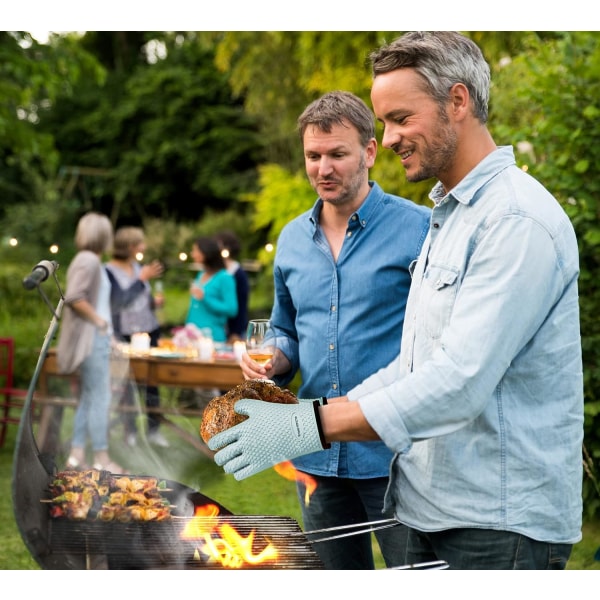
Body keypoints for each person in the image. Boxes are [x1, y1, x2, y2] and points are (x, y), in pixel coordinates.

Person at [208, 32, 584, 570]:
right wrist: (307, 417)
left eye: (400, 118)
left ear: (458, 102)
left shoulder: (514, 219)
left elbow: (458, 380)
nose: (387, 140)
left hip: (500, 523)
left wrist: (306, 425)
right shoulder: (450, 219)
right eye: (385, 123)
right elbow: (412, 366)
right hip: (434, 506)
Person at [239, 91, 431, 569]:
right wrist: (276, 357)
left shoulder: (421, 229)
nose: (323, 167)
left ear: (368, 152)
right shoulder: (289, 240)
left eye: (337, 154)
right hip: (314, 455)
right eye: (313, 155)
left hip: (394, 455)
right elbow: (285, 329)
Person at [56, 212, 127, 473]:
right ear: (102, 235)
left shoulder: (91, 260)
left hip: (98, 340)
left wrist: (109, 335)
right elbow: (74, 297)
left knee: (89, 397)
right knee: (101, 398)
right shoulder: (88, 260)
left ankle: (75, 456)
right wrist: (100, 323)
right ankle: (101, 457)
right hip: (92, 342)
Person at [105, 226, 169, 448]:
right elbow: (118, 302)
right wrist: (141, 279)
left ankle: (153, 430)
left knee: (152, 383)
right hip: (124, 334)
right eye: (140, 243)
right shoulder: (108, 272)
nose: (143, 247)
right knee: (128, 385)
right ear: (131, 246)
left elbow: (141, 300)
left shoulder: (138, 267)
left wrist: (154, 303)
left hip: (148, 330)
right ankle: (130, 431)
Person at [185, 236, 238, 343]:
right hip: (192, 336)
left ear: (206, 252)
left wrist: (206, 298)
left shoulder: (225, 278)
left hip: (212, 338)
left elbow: (232, 309)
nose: (192, 254)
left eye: (195, 250)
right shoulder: (201, 274)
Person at [215, 230, 250, 343]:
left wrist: (236, 332)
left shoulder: (238, 273)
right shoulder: (214, 271)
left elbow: (242, 304)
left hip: (234, 329)